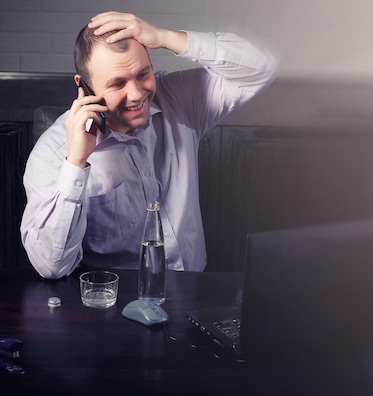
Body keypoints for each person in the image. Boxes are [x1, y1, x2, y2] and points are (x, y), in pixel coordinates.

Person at [21, 11, 278, 279]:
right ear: (84, 87)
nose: (137, 94)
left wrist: (165, 36)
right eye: (117, 84)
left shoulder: (179, 99)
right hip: (116, 299)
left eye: (143, 74)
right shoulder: (53, 152)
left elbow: (262, 68)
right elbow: (52, 266)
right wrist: (75, 163)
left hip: (194, 287)